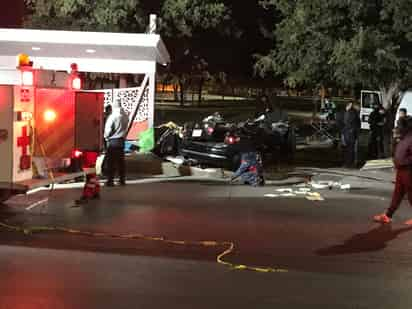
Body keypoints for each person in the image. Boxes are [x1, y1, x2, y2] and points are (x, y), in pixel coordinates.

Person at [374, 118, 412, 224]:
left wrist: (404, 161)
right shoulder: (403, 138)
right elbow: (397, 152)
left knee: (410, 194)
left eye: (399, 125)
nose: (397, 128)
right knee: (397, 194)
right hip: (401, 170)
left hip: (408, 170)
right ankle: (388, 215)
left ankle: (388, 215)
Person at [104, 99, 129, 186]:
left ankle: (110, 181)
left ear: (114, 106)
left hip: (113, 141)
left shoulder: (113, 116)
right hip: (121, 141)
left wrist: (106, 137)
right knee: (121, 162)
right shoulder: (125, 116)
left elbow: (108, 130)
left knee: (111, 162)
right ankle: (122, 180)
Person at [342, 102, 361, 168]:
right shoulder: (353, 113)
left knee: (349, 149)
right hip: (351, 133)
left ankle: (349, 163)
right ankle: (350, 163)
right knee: (351, 149)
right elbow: (357, 124)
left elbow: (346, 122)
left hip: (349, 133)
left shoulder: (349, 112)